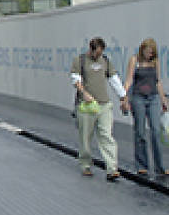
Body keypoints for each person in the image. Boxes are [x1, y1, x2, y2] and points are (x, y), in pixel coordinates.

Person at [70, 37, 127, 181]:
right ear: (91, 49)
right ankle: (86, 164)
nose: (98, 56)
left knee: (106, 136)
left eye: (101, 53)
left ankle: (112, 168)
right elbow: (75, 79)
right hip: (86, 106)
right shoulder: (80, 60)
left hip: (104, 104)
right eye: (96, 53)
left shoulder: (105, 61)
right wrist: (84, 93)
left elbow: (114, 79)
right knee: (86, 137)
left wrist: (123, 96)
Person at [123, 38, 169, 176]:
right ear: (143, 49)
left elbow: (158, 81)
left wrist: (163, 99)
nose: (150, 55)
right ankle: (142, 164)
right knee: (140, 131)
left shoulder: (155, 62)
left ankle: (160, 166)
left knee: (155, 131)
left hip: (153, 97)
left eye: (152, 53)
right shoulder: (134, 60)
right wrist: (124, 97)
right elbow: (129, 79)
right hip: (139, 97)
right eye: (149, 52)